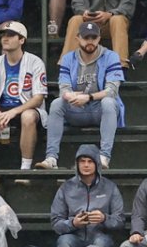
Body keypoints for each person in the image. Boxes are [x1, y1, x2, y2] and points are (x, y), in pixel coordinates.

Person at [37, 22, 125, 170]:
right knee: (57, 103)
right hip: (76, 109)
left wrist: (88, 97)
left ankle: (104, 158)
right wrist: (69, 96)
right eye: (86, 37)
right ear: (78, 38)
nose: (90, 41)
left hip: (100, 110)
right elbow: (63, 88)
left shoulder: (111, 57)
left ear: (99, 39)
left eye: (94, 37)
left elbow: (112, 90)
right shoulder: (68, 58)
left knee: (109, 102)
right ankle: (51, 158)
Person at [0, 21, 46, 170]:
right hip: (1, 113)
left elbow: (38, 98)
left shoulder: (35, 62)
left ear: (22, 40)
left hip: (26, 111)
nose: (5, 38)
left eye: (11, 35)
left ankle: (25, 169)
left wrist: (14, 112)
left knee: (28, 116)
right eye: (3, 35)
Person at [51, 145, 124, 247]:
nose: (85, 165)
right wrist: (73, 223)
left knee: (100, 243)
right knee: (64, 242)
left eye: (90, 161)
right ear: (77, 164)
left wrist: (104, 218)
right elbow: (56, 222)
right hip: (75, 237)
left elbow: (120, 220)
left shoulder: (110, 187)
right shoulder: (66, 187)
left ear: (97, 164)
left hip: (100, 236)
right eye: (82, 161)